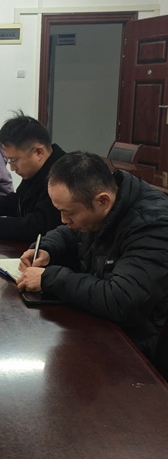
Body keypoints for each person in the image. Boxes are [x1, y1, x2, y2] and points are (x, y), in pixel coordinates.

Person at [17, 152, 168, 367]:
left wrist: (48, 278)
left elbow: (121, 299)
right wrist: (46, 249)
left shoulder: (153, 226)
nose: (63, 220)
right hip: (99, 324)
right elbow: (67, 233)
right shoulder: (104, 207)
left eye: (69, 213)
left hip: (134, 352)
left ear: (102, 201)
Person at [0, 111, 66, 241]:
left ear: (39, 152)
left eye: (14, 160)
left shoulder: (64, 175)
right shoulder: (37, 170)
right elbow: (19, 200)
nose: (12, 168)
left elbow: (40, 225)